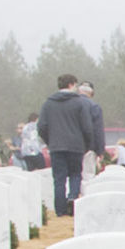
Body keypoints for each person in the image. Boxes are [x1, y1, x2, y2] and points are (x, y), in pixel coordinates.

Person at [38, 73, 96, 216]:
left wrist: (50, 141)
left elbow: (42, 126)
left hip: (56, 146)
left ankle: (60, 210)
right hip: (76, 146)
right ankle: (73, 199)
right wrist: (86, 145)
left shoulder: (48, 104)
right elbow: (87, 127)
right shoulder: (79, 103)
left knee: (59, 178)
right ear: (71, 85)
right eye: (76, 85)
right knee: (76, 175)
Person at [79, 83, 105, 178]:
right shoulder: (94, 107)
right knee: (87, 175)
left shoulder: (69, 105)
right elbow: (98, 130)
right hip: (89, 147)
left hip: (71, 146)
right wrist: (100, 150)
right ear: (92, 93)